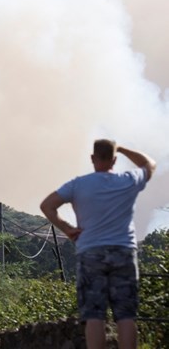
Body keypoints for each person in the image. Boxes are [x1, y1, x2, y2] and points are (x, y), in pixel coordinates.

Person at [40, 140, 156, 349]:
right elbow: (149, 164)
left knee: (94, 315)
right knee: (126, 315)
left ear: (92, 158)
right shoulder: (128, 180)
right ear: (115, 160)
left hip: (90, 253)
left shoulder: (78, 184)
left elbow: (47, 205)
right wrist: (121, 148)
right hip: (124, 251)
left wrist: (66, 228)